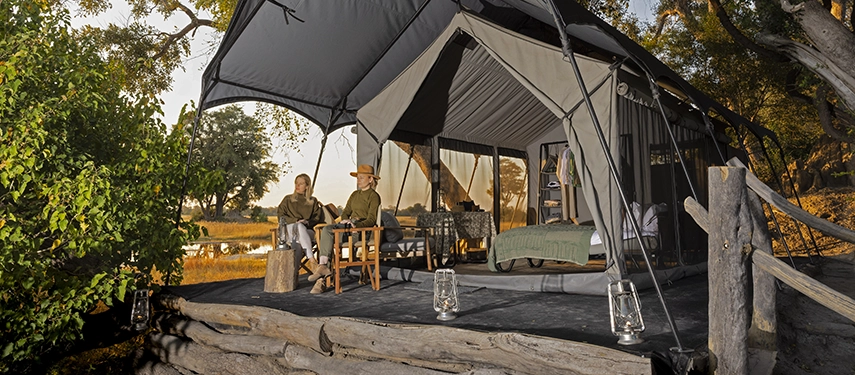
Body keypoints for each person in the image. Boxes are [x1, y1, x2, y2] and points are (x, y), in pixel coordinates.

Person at [309, 164, 381, 294]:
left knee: (330, 240)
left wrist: (356, 225)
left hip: (361, 230)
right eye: (357, 178)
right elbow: (346, 212)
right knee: (326, 231)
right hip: (347, 226)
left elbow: (371, 219)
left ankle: (322, 280)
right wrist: (347, 220)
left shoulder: (374, 196)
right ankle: (323, 266)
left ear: (370, 179)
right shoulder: (354, 194)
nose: (358, 180)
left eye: (361, 178)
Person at [277, 174, 323, 266]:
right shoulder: (288, 199)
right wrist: (295, 220)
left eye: (301, 183)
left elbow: (316, 218)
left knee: (298, 240)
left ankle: (294, 272)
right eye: (296, 183)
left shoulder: (312, 201)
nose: (297, 186)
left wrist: (307, 222)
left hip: (306, 231)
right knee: (298, 226)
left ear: (307, 186)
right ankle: (312, 260)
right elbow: (280, 216)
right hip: (288, 231)